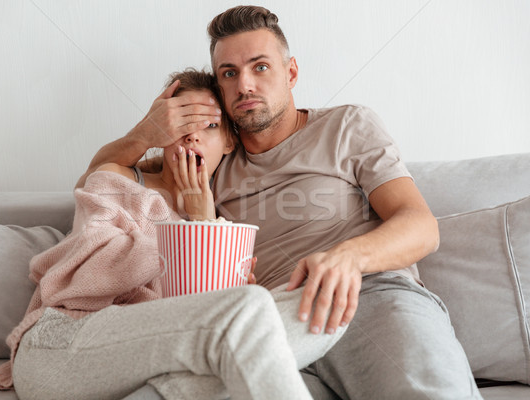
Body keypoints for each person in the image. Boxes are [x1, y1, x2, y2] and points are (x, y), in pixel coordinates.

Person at [80, 6, 484, 400]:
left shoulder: (347, 125)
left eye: (260, 67)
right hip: (268, 326)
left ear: (290, 73)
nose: (245, 85)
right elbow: (98, 180)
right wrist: (146, 132)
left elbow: (420, 225)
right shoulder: (212, 153)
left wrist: (349, 257)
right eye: (229, 74)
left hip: (368, 298)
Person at [0, 69, 343, 400]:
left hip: (151, 357)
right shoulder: (116, 180)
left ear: (230, 143)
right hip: (64, 342)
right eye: (182, 122)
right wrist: (196, 235)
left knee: (320, 306)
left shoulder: (222, 220)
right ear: (162, 133)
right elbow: (89, 272)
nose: (192, 134)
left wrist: (205, 223)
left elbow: (202, 315)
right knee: (250, 306)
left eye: (208, 125)